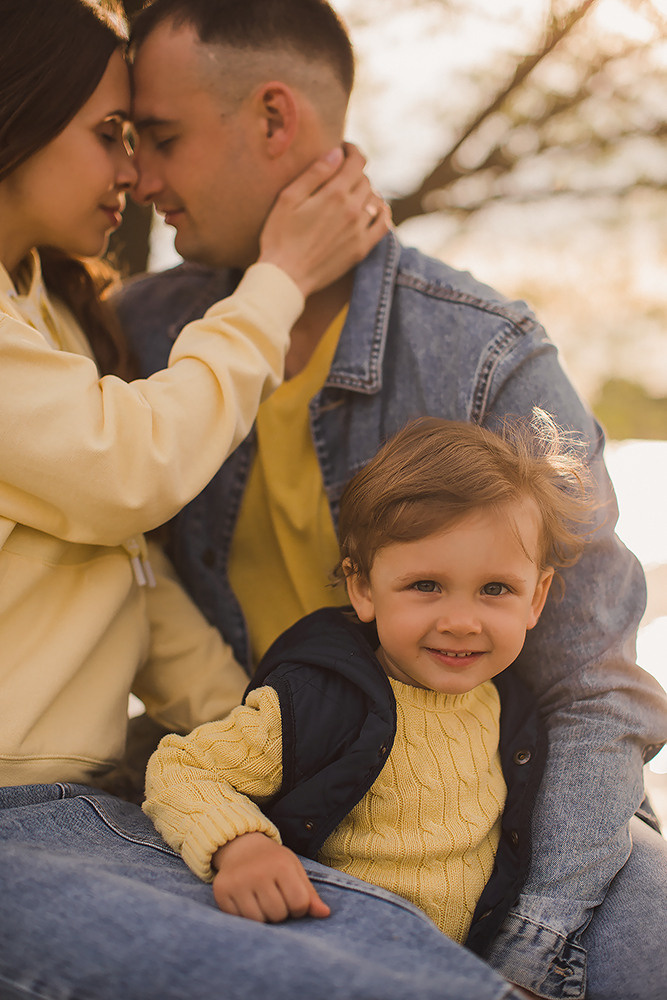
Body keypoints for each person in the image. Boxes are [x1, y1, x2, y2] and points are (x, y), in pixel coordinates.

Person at [115, 1, 667, 998]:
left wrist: (536, 939)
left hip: (510, 803)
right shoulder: (143, 338)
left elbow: (593, 687)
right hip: (260, 793)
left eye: (161, 138)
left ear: (275, 119)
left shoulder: (486, 355)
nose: (140, 179)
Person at [0, 3, 509, 1000]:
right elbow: (130, 467)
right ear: (18, 111)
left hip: (103, 797)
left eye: (149, 137)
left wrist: (271, 736)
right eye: (112, 135)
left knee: (421, 960)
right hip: (15, 810)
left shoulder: (57, 314)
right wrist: (278, 282)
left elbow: (129, 580)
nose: (133, 174)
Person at [143, 414, 593, 951]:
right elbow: (181, 768)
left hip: (459, 964)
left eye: (495, 589)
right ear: (363, 589)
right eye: (426, 585)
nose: (462, 621)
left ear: (536, 599)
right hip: (334, 949)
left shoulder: (509, 705)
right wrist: (242, 847)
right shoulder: (320, 699)